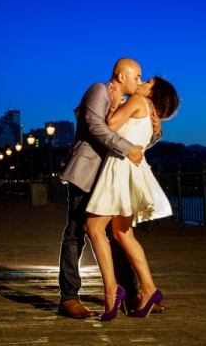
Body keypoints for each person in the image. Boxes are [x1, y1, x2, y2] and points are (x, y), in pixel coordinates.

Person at [57, 58, 162, 319]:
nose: (140, 81)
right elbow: (95, 126)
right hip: (88, 174)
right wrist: (127, 148)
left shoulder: (127, 103)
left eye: (142, 78)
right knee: (76, 233)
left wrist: (155, 131)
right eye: (137, 76)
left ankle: (129, 292)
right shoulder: (99, 90)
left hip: (112, 177)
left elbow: (134, 142)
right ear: (120, 75)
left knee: (117, 234)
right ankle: (69, 297)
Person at [84, 76, 180, 320]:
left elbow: (112, 124)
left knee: (94, 227)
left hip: (119, 168)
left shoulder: (138, 100)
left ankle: (111, 292)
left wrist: (115, 103)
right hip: (133, 170)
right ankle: (148, 289)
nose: (141, 83)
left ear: (153, 92)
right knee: (122, 234)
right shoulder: (151, 115)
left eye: (147, 82)